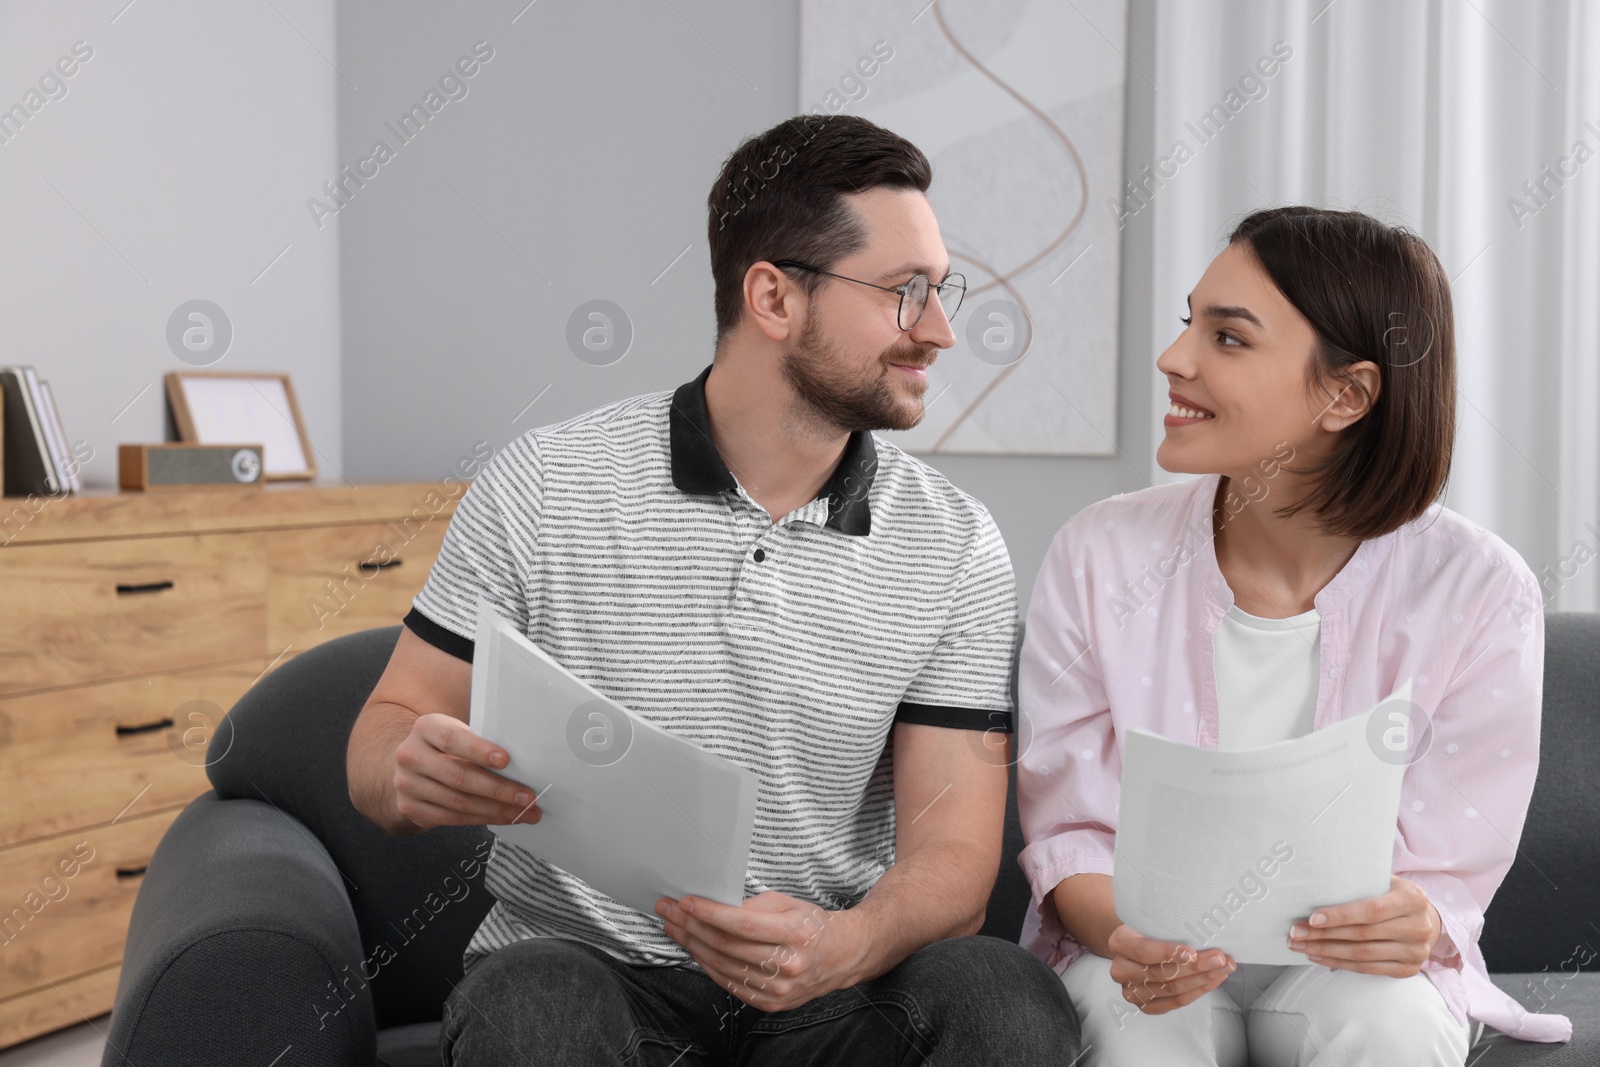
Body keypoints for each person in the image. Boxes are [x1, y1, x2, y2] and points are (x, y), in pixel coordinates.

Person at [346, 113, 1079, 1065]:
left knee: (1004, 994)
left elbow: (956, 860)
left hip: (829, 989)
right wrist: (405, 770)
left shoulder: (955, 545)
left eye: (942, 291)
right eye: (905, 293)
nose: (939, 331)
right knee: (532, 1003)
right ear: (773, 296)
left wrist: (842, 945)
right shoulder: (544, 484)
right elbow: (384, 731)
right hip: (588, 975)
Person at [1015, 206, 1572, 1065]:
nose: (1174, 359)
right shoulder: (1099, 554)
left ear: (1346, 394)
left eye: (1228, 338)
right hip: (1143, 954)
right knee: (1130, 1029)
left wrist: (1416, 917)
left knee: (1387, 1022)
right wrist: (1129, 940)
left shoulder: (1482, 588)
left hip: (1352, 971)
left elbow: (1447, 875)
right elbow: (1069, 830)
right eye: (1187, 323)